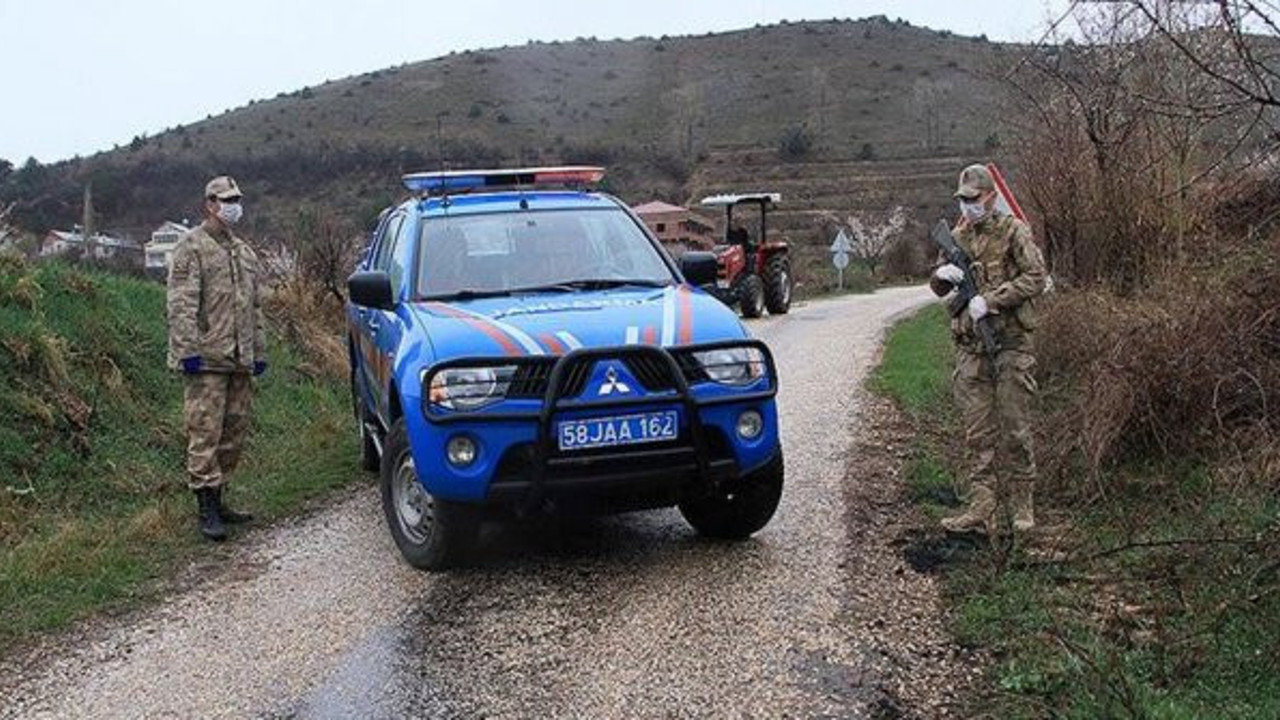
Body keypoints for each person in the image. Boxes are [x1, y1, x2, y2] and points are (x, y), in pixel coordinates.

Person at [930, 164, 1047, 535]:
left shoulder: (1014, 231)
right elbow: (939, 288)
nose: (968, 206)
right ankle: (982, 507)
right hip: (972, 347)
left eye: (974, 199)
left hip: (1011, 343)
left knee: (1015, 427)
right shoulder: (957, 238)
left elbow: (1036, 277)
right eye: (962, 200)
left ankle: (1022, 505)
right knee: (977, 432)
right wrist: (941, 278)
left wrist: (993, 299)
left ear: (991, 197)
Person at [167, 176, 267, 541]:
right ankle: (206, 506)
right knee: (205, 431)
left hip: (239, 359)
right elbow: (181, 304)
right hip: (207, 358)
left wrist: (259, 351)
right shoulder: (191, 247)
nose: (233, 206)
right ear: (209, 203)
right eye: (226, 200)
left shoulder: (243, 251)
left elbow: (254, 307)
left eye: (236, 199)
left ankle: (220, 498)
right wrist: (188, 351)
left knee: (233, 432)